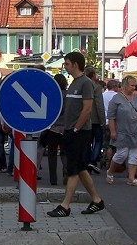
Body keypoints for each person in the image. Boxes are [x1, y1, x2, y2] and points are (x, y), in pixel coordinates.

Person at [47, 52, 105, 216]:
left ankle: (65, 206)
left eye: (66, 64)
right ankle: (96, 200)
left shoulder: (85, 83)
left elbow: (87, 109)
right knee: (80, 168)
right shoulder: (74, 83)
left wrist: (75, 129)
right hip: (71, 130)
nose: (65, 66)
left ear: (75, 64)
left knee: (73, 169)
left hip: (80, 132)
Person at [104, 75, 137, 186]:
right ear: (125, 85)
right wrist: (113, 131)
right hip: (122, 131)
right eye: (132, 85)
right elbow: (111, 116)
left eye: (135, 85)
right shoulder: (116, 98)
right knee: (122, 154)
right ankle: (110, 171)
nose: (134, 88)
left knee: (135, 154)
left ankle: (131, 178)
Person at [42, 73, 69, 185]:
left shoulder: (53, 95)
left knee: (52, 153)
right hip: (66, 126)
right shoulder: (68, 95)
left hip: (53, 127)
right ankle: (67, 171)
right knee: (64, 152)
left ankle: (53, 179)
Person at [85, 67, 106, 174]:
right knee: (98, 141)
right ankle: (92, 161)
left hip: (85, 118)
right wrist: (102, 120)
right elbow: (99, 104)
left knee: (87, 141)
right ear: (93, 75)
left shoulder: (82, 85)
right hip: (95, 119)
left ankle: (87, 160)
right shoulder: (96, 87)